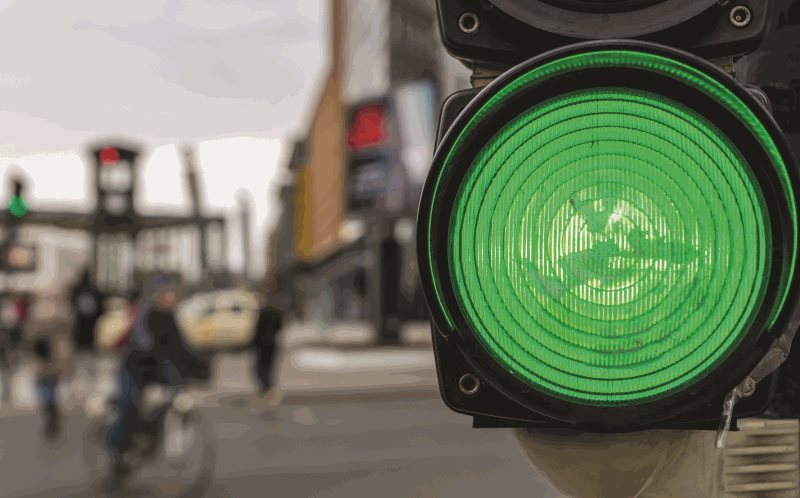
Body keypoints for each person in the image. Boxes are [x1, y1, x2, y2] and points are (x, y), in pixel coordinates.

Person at [107, 276, 206, 478]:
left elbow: (181, 348)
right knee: (128, 406)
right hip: (135, 368)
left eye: (172, 294)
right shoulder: (147, 316)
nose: (170, 298)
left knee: (167, 402)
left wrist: (200, 368)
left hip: (156, 371)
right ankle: (120, 451)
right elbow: (149, 347)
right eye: (166, 294)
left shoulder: (170, 317)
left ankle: (151, 435)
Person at [26, 293, 74, 440]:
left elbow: (29, 333)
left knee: (46, 383)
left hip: (46, 356)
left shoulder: (38, 312)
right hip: (50, 355)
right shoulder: (61, 311)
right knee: (49, 383)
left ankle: (49, 405)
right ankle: (50, 405)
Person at [252, 286, 285, 407]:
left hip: (262, 344)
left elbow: (258, 329)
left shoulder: (264, 312)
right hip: (272, 343)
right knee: (269, 368)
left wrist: (253, 343)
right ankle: (268, 389)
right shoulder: (277, 311)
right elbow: (280, 326)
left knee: (260, 368)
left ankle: (266, 390)